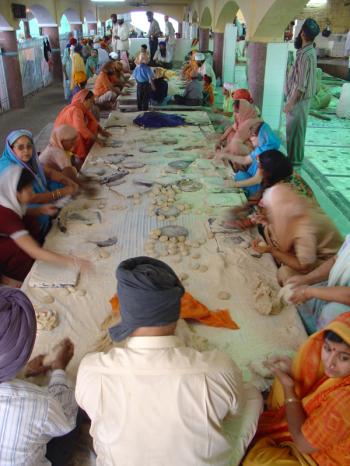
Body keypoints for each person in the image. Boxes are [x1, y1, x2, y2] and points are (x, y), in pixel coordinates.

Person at [76, 257, 249, 466]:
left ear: (124, 312)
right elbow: (234, 412)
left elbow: (89, 408)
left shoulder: (91, 370)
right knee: (253, 396)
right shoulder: (219, 369)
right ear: (177, 312)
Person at [243, 312, 350, 466]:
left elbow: (302, 443)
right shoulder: (339, 372)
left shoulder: (345, 402)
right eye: (327, 348)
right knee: (286, 381)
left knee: (257, 461)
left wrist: (289, 389)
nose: (330, 362)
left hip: (324, 458)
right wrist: (293, 373)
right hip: (321, 437)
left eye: (344, 358)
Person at [0, 286, 79, 465]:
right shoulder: (36, 402)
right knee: (74, 409)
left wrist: (23, 373)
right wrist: (59, 370)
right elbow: (66, 420)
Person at [0, 166, 89, 285]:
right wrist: (73, 262)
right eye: (28, 189)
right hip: (4, 250)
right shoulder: (6, 216)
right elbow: (33, 251)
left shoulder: (7, 199)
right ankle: (21, 277)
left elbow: (21, 211)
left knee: (31, 222)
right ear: (16, 193)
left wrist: (40, 210)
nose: (32, 192)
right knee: (17, 250)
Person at [251, 184, 343, 286]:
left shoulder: (304, 228)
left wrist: (271, 250)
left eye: (270, 211)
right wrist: (268, 220)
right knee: (268, 229)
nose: (268, 214)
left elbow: (304, 266)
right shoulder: (295, 204)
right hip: (314, 250)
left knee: (285, 273)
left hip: (330, 262)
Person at [0, 130, 78, 237]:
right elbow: (31, 198)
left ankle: (57, 213)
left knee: (62, 185)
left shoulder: (31, 160)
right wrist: (60, 193)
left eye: (29, 146)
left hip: (31, 193)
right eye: (20, 147)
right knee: (43, 217)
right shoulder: (10, 168)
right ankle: (44, 237)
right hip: (21, 202)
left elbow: (48, 172)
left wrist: (68, 181)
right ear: (11, 149)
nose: (26, 151)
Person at [285, 233, 350, 334]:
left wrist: (308, 292)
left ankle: (322, 344)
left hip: (344, 301)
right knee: (296, 294)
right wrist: (306, 279)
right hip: (337, 288)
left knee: (332, 311)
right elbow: (335, 260)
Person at [284, 18, 320, 166]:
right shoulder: (307, 51)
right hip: (297, 98)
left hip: (299, 100)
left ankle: (295, 161)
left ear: (303, 34)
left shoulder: (306, 55)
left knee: (295, 132)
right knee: (294, 131)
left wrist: (291, 104)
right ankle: (293, 158)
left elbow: (300, 85)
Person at [219, 121, 281, 199]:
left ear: (262, 136)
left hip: (260, 188)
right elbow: (245, 160)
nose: (250, 138)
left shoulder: (268, 155)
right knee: (238, 176)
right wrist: (226, 155)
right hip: (254, 180)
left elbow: (257, 180)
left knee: (234, 181)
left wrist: (234, 184)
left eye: (253, 136)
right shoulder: (261, 149)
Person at [54, 90, 111, 161]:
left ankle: (88, 149)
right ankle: (81, 158)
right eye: (91, 102)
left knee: (92, 125)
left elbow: (93, 121)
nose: (91, 105)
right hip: (61, 138)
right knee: (78, 136)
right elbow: (80, 128)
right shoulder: (76, 110)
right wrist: (97, 139)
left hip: (67, 131)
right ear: (84, 100)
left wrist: (101, 131)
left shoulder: (81, 107)